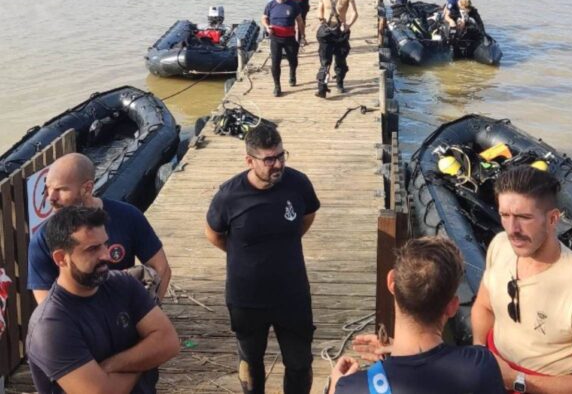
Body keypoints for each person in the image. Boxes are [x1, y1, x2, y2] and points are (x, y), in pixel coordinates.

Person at [205, 124, 320, 394]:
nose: (277, 164)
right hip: (247, 298)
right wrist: (245, 256)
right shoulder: (229, 196)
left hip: (292, 294)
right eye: (269, 159)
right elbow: (214, 234)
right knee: (250, 360)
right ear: (249, 160)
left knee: (300, 362)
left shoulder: (298, 183)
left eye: (281, 155)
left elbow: (307, 217)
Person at [471, 166, 572, 393]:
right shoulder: (500, 245)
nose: (512, 229)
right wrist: (480, 350)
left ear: (552, 219)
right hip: (492, 367)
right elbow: (483, 306)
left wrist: (515, 380)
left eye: (524, 217)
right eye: (505, 215)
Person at [26, 206, 179, 394]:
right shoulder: (51, 325)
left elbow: (168, 342)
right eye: (92, 249)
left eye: (104, 244)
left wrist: (110, 366)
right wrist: (145, 357)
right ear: (61, 259)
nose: (106, 255)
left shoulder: (123, 283)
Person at [327, 236, 505, 393]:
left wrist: (334, 389)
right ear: (452, 307)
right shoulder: (479, 366)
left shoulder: (352, 387)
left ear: (391, 282)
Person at [27, 153, 171, 304]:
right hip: (78, 321)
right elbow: (45, 301)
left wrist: (149, 313)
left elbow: (161, 268)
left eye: (61, 189)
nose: (51, 197)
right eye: (48, 188)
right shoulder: (43, 239)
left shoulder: (127, 216)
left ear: (87, 188)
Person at [316, 0, 358, 97]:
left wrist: (348, 25)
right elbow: (320, 8)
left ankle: (340, 82)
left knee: (340, 60)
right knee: (324, 61)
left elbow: (355, 13)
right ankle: (322, 88)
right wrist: (319, 16)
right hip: (326, 30)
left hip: (340, 32)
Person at [262, 0, 304, 97]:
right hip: (275, 38)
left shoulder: (293, 5)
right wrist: (267, 27)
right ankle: (277, 86)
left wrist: (302, 36)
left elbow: (299, 21)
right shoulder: (270, 5)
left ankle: (292, 74)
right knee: (275, 63)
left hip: (290, 37)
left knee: (293, 60)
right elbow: (264, 18)